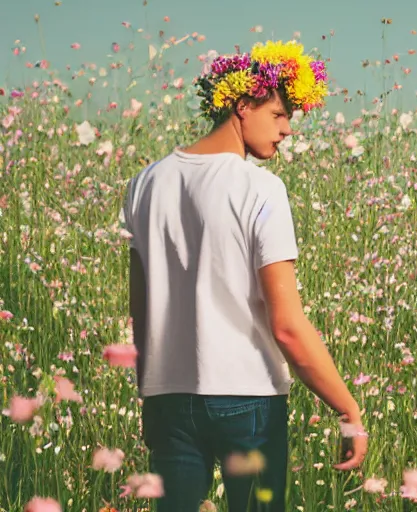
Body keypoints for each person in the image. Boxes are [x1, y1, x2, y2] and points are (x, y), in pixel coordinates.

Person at [121, 40, 368, 512]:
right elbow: (287, 327)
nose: (288, 130)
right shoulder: (261, 189)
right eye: (278, 115)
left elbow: (141, 307)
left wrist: (148, 389)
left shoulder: (145, 184)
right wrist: (347, 409)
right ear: (242, 105)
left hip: (166, 397)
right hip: (248, 399)